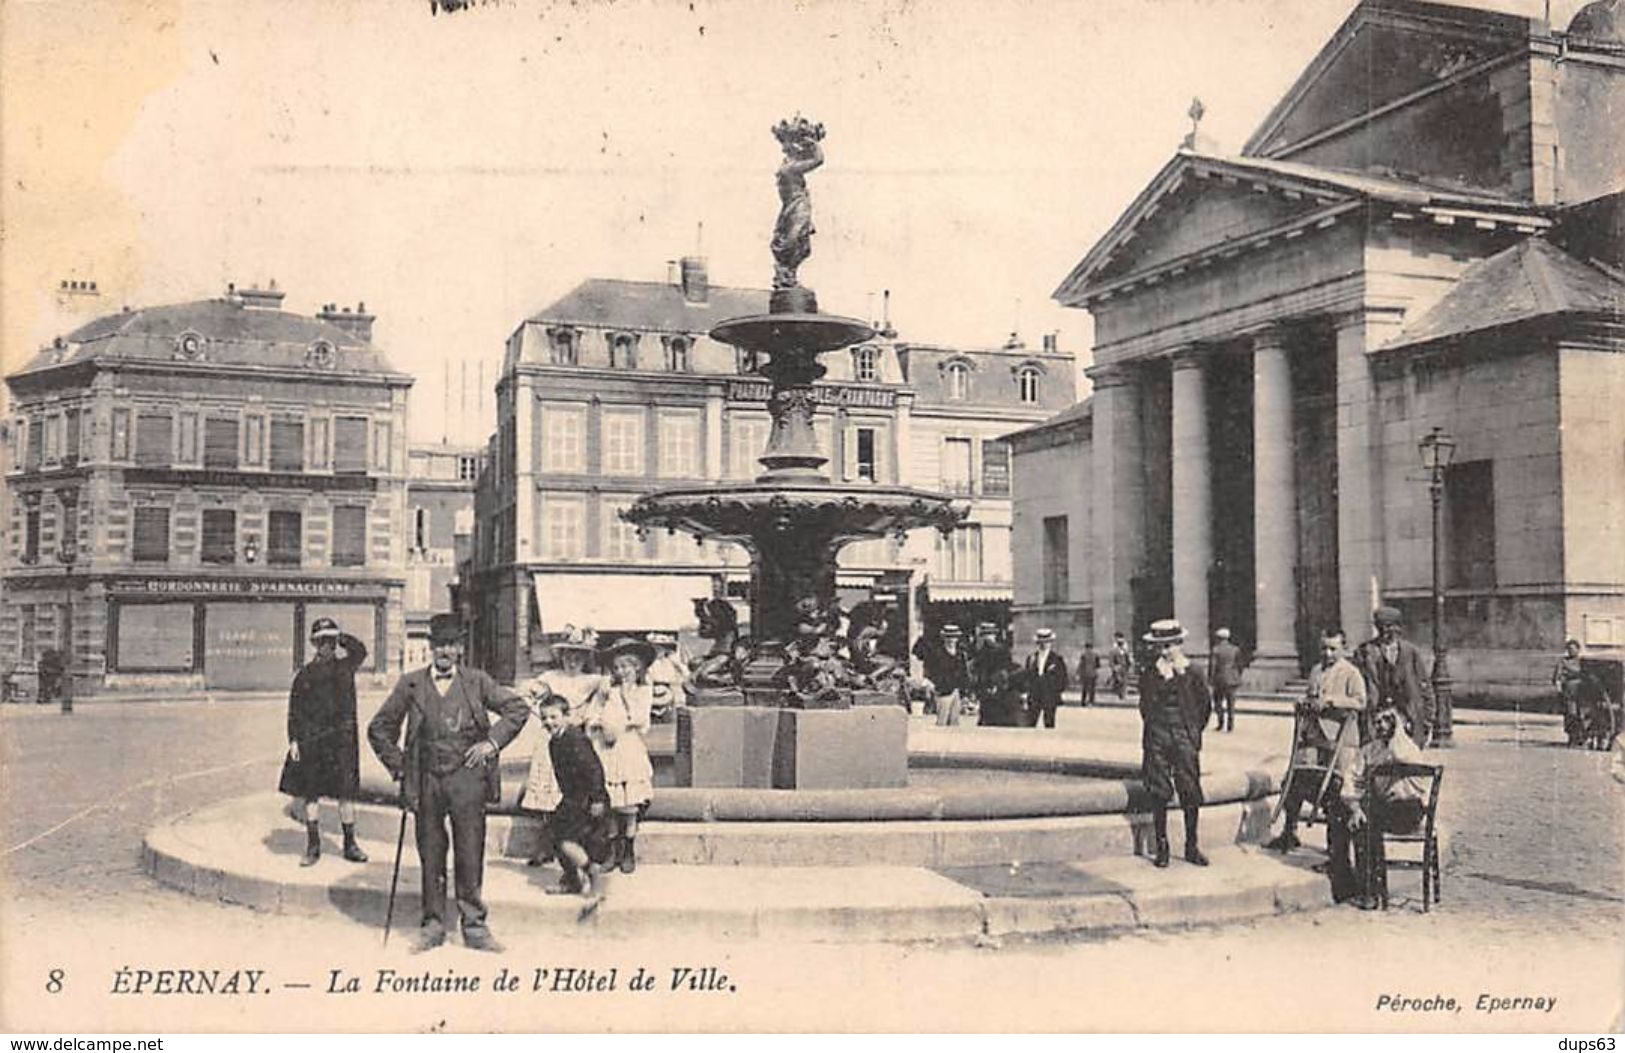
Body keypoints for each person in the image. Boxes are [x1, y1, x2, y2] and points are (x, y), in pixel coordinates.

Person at [367, 613, 529, 953]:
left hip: (467, 781)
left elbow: (516, 708)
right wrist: (402, 767)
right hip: (426, 781)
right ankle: (433, 924)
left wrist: (492, 744)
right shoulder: (411, 684)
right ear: (430, 647)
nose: (445, 651)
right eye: (440, 645)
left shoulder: (477, 682)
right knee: (431, 853)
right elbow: (379, 728)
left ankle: (474, 925)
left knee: (470, 852)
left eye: (452, 645)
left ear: (460, 649)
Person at [1265, 629, 1365, 870]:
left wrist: (1332, 701)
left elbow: (1361, 701)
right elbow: (1311, 695)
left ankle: (1337, 855)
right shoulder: (1316, 670)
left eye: (1332, 648)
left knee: (1338, 794)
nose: (1327, 653)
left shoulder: (1351, 673)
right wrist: (1304, 702)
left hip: (1340, 739)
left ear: (1343, 648)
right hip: (1313, 736)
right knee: (1296, 779)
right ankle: (1290, 832)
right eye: (1324, 648)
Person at [278, 618, 370, 867]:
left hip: (342, 743)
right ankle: (313, 845)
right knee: (311, 795)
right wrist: (294, 740)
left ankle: (350, 844)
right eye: (321, 641)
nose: (326, 646)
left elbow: (360, 650)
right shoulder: (305, 675)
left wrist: (342, 636)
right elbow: (294, 710)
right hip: (313, 743)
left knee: (346, 794)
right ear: (313, 644)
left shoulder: (346, 666)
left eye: (330, 641)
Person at [517, 626, 605, 869]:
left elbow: (607, 691)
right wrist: (541, 709)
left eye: (578, 657)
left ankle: (577, 850)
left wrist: (589, 717)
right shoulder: (551, 678)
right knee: (548, 794)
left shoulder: (592, 680)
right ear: (562, 657)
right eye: (568, 656)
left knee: (572, 794)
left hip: (574, 738)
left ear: (585, 659)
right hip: (552, 737)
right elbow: (527, 692)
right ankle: (546, 846)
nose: (572, 662)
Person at [1330, 705, 1432, 910]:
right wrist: (1354, 806)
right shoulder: (1370, 750)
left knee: (1368, 823)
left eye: (1387, 721)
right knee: (1343, 815)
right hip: (1381, 808)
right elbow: (1352, 776)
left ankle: (1371, 891)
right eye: (1377, 722)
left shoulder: (1407, 749)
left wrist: (1394, 738)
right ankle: (1350, 884)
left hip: (1407, 809)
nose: (1382, 726)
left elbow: (1400, 757)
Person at [1137, 619, 1213, 867]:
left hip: (1183, 736)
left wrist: (1192, 733)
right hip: (1158, 735)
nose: (1165, 651)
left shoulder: (1192, 672)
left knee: (1190, 790)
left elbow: (1204, 706)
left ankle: (1192, 846)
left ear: (1180, 644)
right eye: (1160, 646)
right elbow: (1145, 706)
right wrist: (1155, 730)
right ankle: (1162, 847)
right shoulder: (1150, 673)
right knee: (1158, 791)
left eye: (1169, 645)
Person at [537, 695, 613, 918]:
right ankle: (571, 881)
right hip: (571, 797)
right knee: (554, 834)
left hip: (588, 798)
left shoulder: (575, 739)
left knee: (567, 842)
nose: (549, 722)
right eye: (544, 718)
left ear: (567, 716)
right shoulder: (554, 741)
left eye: (554, 717)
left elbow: (594, 769)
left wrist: (598, 798)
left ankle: (594, 877)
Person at [591, 637, 657, 874]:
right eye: (617, 668)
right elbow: (594, 714)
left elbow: (641, 720)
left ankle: (628, 849)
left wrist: (626, 700)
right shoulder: (608, 691)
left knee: (629, 803)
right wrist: (600, 721)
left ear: (637, 667)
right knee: (611, 801)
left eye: (626, 667)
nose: (622, 672)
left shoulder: (643, 691)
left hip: (628, 746)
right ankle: (612, 850)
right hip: (608, 747)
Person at [1353, 606, 1435, 748]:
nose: (1385, 631)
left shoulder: (1411, 653)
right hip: (1375, 720)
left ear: (1398, 628)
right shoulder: (1364, 652)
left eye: (1389, 626)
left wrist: (1427, 720)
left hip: (1407, 718)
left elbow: (1425, 687)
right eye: (1380, 626)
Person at [914, 624, 971, 726]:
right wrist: (931, 684)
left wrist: (965, 692)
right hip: (942, 691)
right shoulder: (938, 654)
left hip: (956, 691)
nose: (951, 640)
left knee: (954, 722)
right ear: (944, 638)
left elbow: (964, 672)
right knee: (942, 721)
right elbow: (929, 668)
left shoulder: (960, 654)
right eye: (948, 637)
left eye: (953, 637)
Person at [1023, 628, 1069, 729]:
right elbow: (1027, 675)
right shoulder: (1031, 658)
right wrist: (1027, 690)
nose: (1043, 645)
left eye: (1046, 642)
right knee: (1030, 722)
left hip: (1049, 695)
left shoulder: (1056, 659)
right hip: (1035, 694)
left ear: (1050, 643)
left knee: (1049, 722)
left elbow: (1062, 677)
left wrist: (1057, 691)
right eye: (1040, 642)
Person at [1207, 627, 1246, 733]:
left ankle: (1220, 723)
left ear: (1218, 638)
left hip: (1220, 680)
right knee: (1231, 703)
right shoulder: (1235, 649)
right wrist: (1237, 675)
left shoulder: (1216, 650)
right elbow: (1240, 665)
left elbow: (1213, 666)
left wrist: (1210, 679)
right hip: (1233, 680)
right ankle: (1230, 725)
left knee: (1218, 702)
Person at [646, 631, 690, 721]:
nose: (658, 650)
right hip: (652, 694)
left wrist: (678, 664)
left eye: (661, 647)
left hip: (669, 695)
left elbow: (684, 677)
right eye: (655, 647)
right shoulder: (648, 663)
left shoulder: (670, 662)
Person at [1553, 638, 1587, 747]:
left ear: (1578, 649)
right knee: (1571, 714)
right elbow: (1556, 678)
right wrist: (1559, 689)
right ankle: (1572, 738)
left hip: (1582, 691)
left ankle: (1582, 737)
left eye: (1574, 649)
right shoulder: (1563, 662)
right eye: (1569, 649)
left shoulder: (1583, 662)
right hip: (1569, 691)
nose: (1572, 651)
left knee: (1582, 715)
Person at [1108, 632, 1132, 701]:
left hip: (1124, 668)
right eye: (1120, 644)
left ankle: (1123, 695)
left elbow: (1128, 659)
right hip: (1118, 668)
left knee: (1124, 682)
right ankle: (1119, 694)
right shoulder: (1113, 651)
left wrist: (1128, 666)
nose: (1121, 645)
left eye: (1121, 644)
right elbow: (1111, 660)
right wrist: (1114, 667)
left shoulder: (1125, 651)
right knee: (1119, 681)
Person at [1077, 639, 1099, 708]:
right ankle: (1091, 702)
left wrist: (1078, 673)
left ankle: (1083, 702)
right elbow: (1098, 665)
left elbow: (1081, 664)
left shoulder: (1083, 655)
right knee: (1092, 689)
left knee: (1084, 688)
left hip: (1085, 674)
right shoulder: (1096, 655)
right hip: (1093, 674)